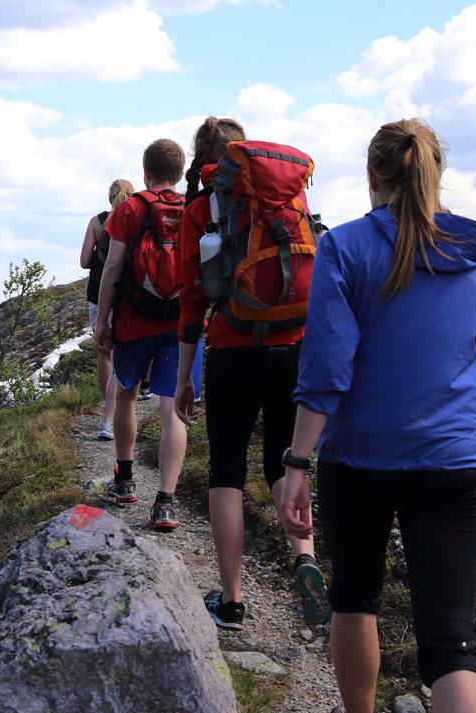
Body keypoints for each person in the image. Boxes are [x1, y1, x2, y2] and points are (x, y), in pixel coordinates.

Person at [276, 118, 476, 713]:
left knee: (354, 598)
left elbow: (328, 366)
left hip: (361, 459)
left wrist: (297, 461)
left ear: (371, 175)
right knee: (452, 645)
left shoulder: (345, 246)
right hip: (456, 464)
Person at [172, 117, 329, 631]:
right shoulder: (285, 205)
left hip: (233, 349)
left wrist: (184, 377)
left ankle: (232, 600)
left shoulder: (201, 210)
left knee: (226, 472)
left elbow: (192, 297)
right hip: (294, 349)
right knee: (286, 459)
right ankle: (304, 555)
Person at [94, 138, 202, 532]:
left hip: (135, 318)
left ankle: (124, 481)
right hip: (181, 324)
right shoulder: (194, 208)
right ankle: (166, 503)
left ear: (146, 171)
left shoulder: (130, 208)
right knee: (175, 409)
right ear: (179, 171)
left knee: (126, 392)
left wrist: (101, 320)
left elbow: (113, 266)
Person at [80, 179, 134, 441]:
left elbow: (84, 261)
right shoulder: (133, 217)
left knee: (104, 353)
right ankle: (116, 410)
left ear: (108, 197)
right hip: (124, 292)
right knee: (123, 349)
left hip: (96, 293)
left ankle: (107, 409)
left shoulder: (97, 221)